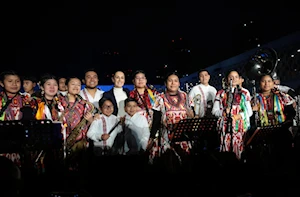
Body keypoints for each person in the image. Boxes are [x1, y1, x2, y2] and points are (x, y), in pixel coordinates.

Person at [249, 74, 295, 172]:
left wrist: (285, 124)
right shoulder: (254, 98)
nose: (266, 84)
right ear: (259, 84)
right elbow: (249, 118)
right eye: (263, 81)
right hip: (263, 133)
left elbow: (291, 112)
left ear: (273, 83)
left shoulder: (281, 96)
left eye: (269, 81)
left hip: (281, 130)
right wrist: (252, 110)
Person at [152, 72, 194, 172]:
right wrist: (152, 137)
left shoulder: (185, 96)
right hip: (167, 136)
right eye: (170, 81)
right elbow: (156, 120)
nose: (173, 83)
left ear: (179, 83)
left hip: (183, 136)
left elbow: (192, 114)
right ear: (165, 83)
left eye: (175, 81)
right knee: (169, 163)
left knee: (185, 163)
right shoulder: (160, 98)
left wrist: (191, 114)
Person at [212, 70, 253, 160]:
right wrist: (223, 113)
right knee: (225, 148)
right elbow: (214, 111)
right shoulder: (220, 93)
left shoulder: (244, 92)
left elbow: (249, 112)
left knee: (239, 148)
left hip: (239, 126)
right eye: (231, 77)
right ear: (226, 80)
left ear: (239, 79)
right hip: (225, 126)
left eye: (236, 77)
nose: (233, 79)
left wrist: (239, 116)